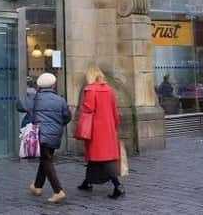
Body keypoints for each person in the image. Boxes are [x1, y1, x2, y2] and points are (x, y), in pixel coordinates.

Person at [17, 72, 71, 204]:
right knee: (45, 158)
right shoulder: (60, 100)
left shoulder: (34, 98)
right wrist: (57, 125)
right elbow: (67, 117)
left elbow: (19, 106)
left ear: (39, 85)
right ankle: (37, 186)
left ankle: (58, 191)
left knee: (46, 160)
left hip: (40, 134)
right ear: (53, 85)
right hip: (55, 134)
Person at [76, 65, 124, 199]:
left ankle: (118, 185)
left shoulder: (90, 90)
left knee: (103, 158)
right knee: (95, 156)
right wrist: (114, 126)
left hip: (96, 129)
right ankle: (87, 182)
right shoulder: (109, 90)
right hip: (108, 127)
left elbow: (88, 108)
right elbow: (115, 110)